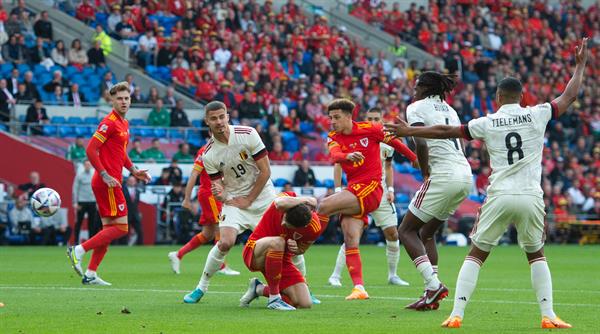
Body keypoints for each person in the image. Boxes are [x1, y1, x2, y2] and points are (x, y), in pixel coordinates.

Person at [385, 37, 588, 330]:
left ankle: (456, 314)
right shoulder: (538, 113)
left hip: (499, 195)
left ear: (497, 96)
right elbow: (568, 97)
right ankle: (549, 315)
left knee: (477, 254)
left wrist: (407, 130)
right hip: (531, 195)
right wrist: (579, 67)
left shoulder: (488, 121)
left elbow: (445, 131)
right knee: (536, 254)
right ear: (522, 95)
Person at [316, 98, 417, 300]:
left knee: (323, 205)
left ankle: (300, 245)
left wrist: (414, 158)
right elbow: (335, 156)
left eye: (336, 117)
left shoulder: (370, 130)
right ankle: (359, 288)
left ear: (348, 116)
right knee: (350, 238)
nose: (332, 122)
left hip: (372, 188)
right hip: (353, 190)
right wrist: (347, 157)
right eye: (330, 118)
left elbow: (395, 144)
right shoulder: (333, 136)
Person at [182, 100, 278, 304]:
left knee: (282, 242)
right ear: (207, 122)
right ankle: (201, 287)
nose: (219, 122)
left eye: (221, 116)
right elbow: (219, 188)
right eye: (213, 118)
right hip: (235, 200)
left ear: (228, 116)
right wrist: (221, 194)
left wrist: (249, 199)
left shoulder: (248, 133)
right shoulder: (208, 154)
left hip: (263, 197)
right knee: (225, 241)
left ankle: (303, 285)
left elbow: (266, 171)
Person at [399, 72, 474, 311]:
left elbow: (421, 142)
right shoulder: (450, 110)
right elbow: (461, 143)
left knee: (406, 230)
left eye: (416, 85)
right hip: (465, 174)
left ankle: (433, 286)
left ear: (424, 87)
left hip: (443, 174)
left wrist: (424, 172)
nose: (413, 89)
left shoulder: (415, 107)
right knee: (427, 233)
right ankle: (430, 295)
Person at [67, 82, 151, 286]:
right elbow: (90, 150)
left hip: (111, 179)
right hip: (108, 182)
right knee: (122, 228)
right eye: (119, 98)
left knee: (109, 229)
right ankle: (78, 250)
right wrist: (104, 174)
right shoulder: (109, 122)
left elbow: (120, 153)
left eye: (126, 98)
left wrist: (134, 170)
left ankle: (91, 274)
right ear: (112, 101)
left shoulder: (124, 123)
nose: (123, 102)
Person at [239, 192, 329, 310]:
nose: (282, 223)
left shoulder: (314, 228)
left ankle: (259, 289)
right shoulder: (286, 202)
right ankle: (274, 299)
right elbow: (278, 202)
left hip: (281, 260)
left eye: (287, 225)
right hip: (254, 251)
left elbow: (302, 249)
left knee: (304, 303)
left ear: (300, 228)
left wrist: (296, 249)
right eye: (284, 218)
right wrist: (307, 199)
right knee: (278, 242)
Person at [167, 144, 239, 275]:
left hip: (216, 194)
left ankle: (178, 254)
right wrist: (187, 198)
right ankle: (221, 266)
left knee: (208, 234)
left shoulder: (226, 148)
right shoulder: (205, 150)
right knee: (221, 228)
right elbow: (194, 174)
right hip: (210, 194)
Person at [72, 160, 100, 244]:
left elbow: (98, 189)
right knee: (79, 222)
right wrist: (75, 202)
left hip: (92, 201)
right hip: (82, 201)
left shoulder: (95, 174)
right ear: (84, 166)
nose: (88, 166)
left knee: (92, 223)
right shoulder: (79, 175)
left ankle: (91, 242)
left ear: (91, 165)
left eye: (89, 164)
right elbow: (75, 189)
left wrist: (98, 202)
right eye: (86, 165)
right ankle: (76, 241)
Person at [123, 175, 143, 245]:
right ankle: (123, 245)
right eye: (130, 181)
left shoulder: (137, 191)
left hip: (135, 213)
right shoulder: (123, 190)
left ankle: (140, 245)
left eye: (133, 181)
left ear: (135, 182)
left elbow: (136, 203)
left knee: (139, 230)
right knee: (124, 231)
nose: (132, 182)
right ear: (127, 181)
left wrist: (138, 212)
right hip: (126, 213)